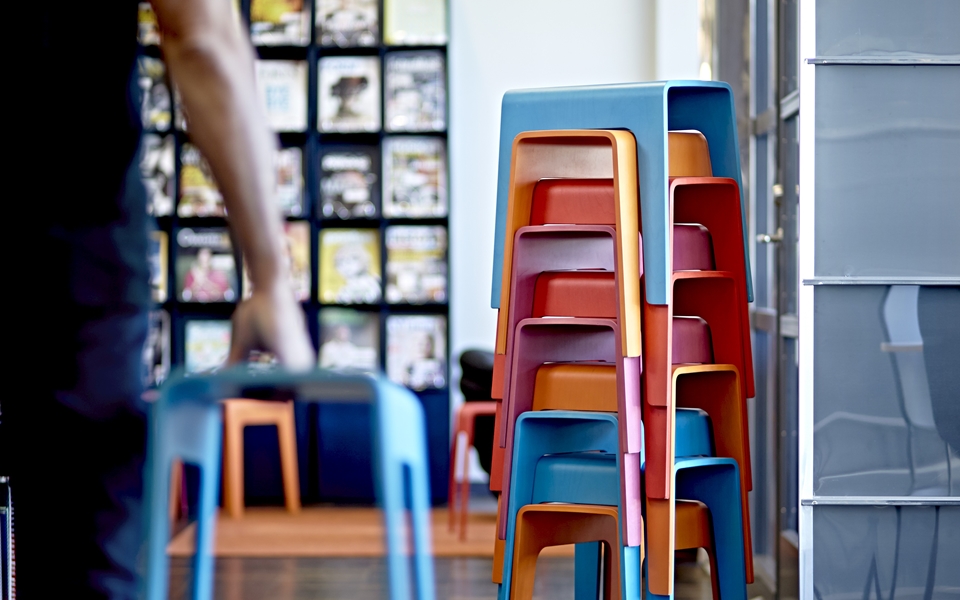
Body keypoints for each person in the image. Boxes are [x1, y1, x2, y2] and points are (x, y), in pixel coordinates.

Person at [4, 0, 315, 597]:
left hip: (72, 238)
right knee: (82, 557)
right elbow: (201, 36)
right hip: (69, 224)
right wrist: (270, 280)